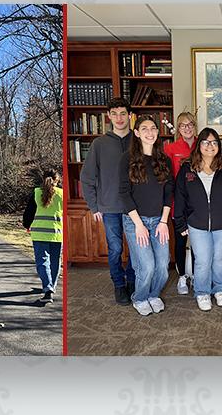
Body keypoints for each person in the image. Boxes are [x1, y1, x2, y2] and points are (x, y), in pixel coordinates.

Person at [174, 128, 222, 311]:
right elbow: (180, 196)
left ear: (218, 146)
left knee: (219, 258)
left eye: (214, 142)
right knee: (203, 260)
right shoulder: (187, 168)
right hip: (197, 223)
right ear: (199, 145)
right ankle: (202, 292)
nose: (210, 146)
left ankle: (219, 289)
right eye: (205, 142)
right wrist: (180, 222)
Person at [79, 97, 135, 305]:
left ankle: (132, 280)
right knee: (115, 249)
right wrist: (94, 206)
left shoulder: (138, 141)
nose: (119, 118)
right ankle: (119, 285)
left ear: (130, 116)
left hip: (135, 208)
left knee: (136, 249)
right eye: (115, 114)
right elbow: (87, 177)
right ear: (109, 117)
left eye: (123, 114)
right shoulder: (99, 144)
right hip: (109, 207)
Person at [118, 114, 174, 316]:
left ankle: (153, 294)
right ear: (137, 133)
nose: (149, 132)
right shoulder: (128, 158)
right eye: (144, 129)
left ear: (158, 132)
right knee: (147, 266)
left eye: (153, 128)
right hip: (135, 222)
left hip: (159, 221)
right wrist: (139, 225)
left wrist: (163, 222)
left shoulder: (164, 159)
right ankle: (139, 298)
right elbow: (123, 193)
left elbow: (169, 192)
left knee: (162, 265)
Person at [163, 111, 198, 295]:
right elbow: (167, 178)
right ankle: (183, 276)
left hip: (199, 204)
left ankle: (196, 275)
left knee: (198, 242)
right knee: (180, 240)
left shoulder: (203, 145)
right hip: (179, 203)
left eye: (190, 124)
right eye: (183, 125)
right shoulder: (171, 148)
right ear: (178, 128)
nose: (187, 128)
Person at [22, 169, 64, 304]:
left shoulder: (36, 193)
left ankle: (47, 288)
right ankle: (52, 286)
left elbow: (28, 213)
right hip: (57, 234)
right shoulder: (62, 194)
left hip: (39, 233)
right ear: (57, 180)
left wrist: (26, 225)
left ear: (43, 178)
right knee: (55, 262)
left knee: (42, 261)